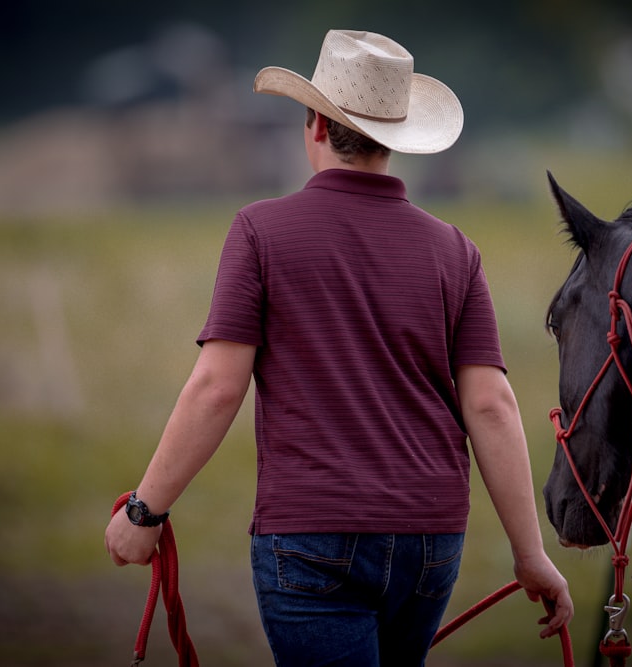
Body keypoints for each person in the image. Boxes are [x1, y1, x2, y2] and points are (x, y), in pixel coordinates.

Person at [105, 28, 573, 666]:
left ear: (315, 126)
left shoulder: (260, 232)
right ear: (395, 139)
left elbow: (217, 387)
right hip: (430, 542)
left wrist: (143, 511)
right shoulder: (454, 250)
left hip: (310, 536)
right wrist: (529, 554)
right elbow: (491, 405)